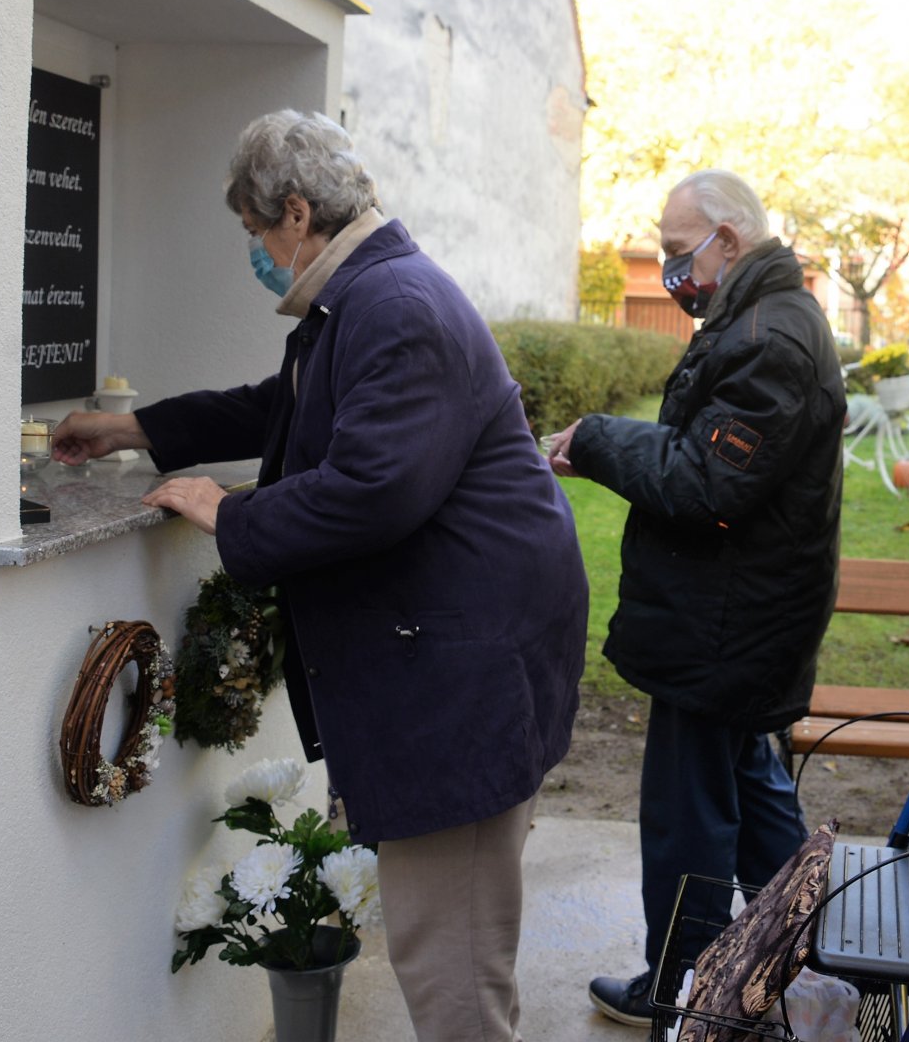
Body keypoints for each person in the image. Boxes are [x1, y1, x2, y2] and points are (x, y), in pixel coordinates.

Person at [52, 110, 587, 1040]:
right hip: (458, 664)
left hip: (457, 683)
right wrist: (137, 428)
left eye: (255, 231)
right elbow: (284, 409)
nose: (256, 252)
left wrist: (230, 511)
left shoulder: (395, 305)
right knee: (454, 949)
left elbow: (375, 488)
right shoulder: (369, 298)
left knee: (449, 962)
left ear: (295, 213)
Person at [543, 169, 847, 1027]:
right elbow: (700, 450)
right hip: (739, 619)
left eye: (679, 253)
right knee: (749, 793)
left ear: (731, 241)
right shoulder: (760, 320)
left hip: (725, 629)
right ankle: (803, 961)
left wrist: (599, 439)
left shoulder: (768, 337)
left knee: (689, 821)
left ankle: (686, 991)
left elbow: (706, 480)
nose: (674, 272)